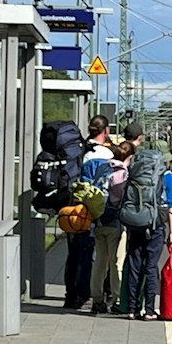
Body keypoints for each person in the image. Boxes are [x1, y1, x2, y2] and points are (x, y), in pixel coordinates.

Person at [119, 124, 172, 321]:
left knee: (135, 265)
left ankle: (132, 309)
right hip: (156, 225)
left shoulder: (135, 170)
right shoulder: (167, 176)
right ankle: (150, 310)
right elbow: (171, 208)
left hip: (136, 222)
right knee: (151, 267)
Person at [62, 116, 111, 309]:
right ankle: (85, 294)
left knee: (72, 254)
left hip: (72, 210)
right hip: (91, 212)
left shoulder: (76, 151)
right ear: (105, 131)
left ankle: (70, 295)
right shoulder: (105, 154)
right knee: (88, 254)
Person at [88, 140, 134, 315]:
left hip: (99, 220)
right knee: (117, 262)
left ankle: (97, 299)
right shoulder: (123, 173)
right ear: (129, 156)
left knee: (100, 261)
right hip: (115, 223)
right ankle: (117, 299)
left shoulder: (102, 168)